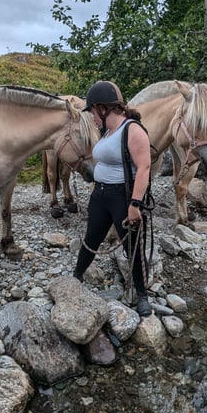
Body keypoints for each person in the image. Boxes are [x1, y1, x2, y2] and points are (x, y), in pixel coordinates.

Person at [72, 81, 153, 317]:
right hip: (100, 195)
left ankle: (142, 294)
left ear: (102, 108)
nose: (93, 118)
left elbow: (144, 167)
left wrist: (135, 204)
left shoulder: (133, 130)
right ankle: (76, 278)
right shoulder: (108, 132)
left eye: (93, 112)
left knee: (132, 245)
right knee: (91, 239)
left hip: (122, 197)